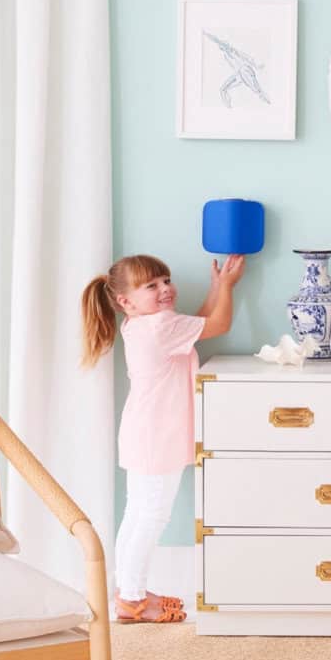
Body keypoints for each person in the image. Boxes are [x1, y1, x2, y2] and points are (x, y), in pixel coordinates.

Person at [81, 253, 245, 622]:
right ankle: (133, 601)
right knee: (152, 516)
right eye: (151, 286)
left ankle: (127, 589)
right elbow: (217, 324)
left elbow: (197, 325)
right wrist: (229, 287)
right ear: (126, 301)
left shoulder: (141, 324)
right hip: (159, 435)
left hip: (143, 432)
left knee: (137, 513)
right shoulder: (160, 326)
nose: (165, 289)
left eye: (166, 280)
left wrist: (218, 285)